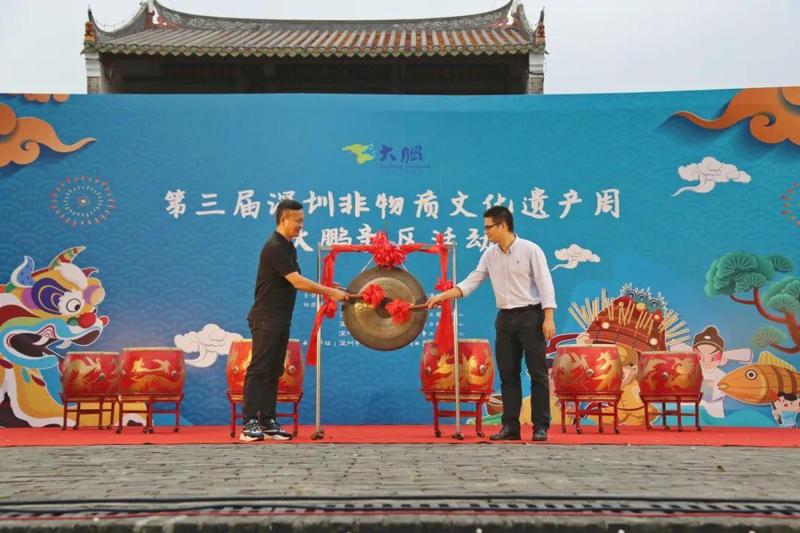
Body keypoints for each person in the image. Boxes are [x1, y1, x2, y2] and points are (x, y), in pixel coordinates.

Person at [426, 205, 556, 441]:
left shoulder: (530, 250)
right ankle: (510, 427)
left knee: (537, 373)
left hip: (531, 316)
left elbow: (545, 284)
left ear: (503, 225)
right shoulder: (490, 255)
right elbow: (471, 282)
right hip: (505, 319)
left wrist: (548, 318)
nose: (485, 232)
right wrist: (442, 297)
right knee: (508, 374)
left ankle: (540, 426)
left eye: (489, 227)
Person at [241, 199, 348, 441]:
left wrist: (330, 287)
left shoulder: (288, 246)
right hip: (265, 318)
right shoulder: (274, 247)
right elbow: (297, 282)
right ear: (283, 219)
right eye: (298, 221)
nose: (301, 225)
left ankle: (267, 421)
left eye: (303, 221)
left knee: (274, 370)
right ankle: (249, 423)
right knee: (259, 369)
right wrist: (330, 292)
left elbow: (295, 278)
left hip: (280, 318)